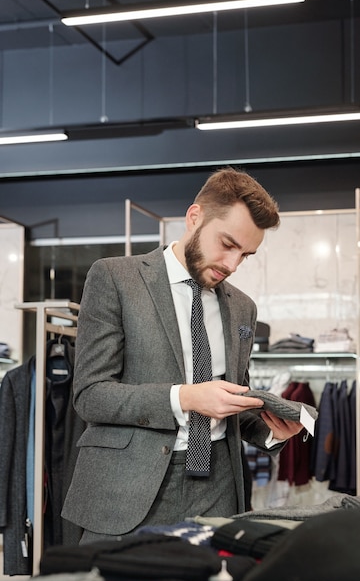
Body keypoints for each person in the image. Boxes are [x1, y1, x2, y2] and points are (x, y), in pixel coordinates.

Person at [62, 166, 303, 543]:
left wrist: (272, 432)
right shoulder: (116, 278)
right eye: (227, 244)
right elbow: (91, 395)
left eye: (246, 254)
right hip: (128, 487)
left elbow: (235, 394)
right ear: (195, 217)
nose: (232, 265)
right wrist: (185, 398)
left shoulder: (243, 308)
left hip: (219, 486)